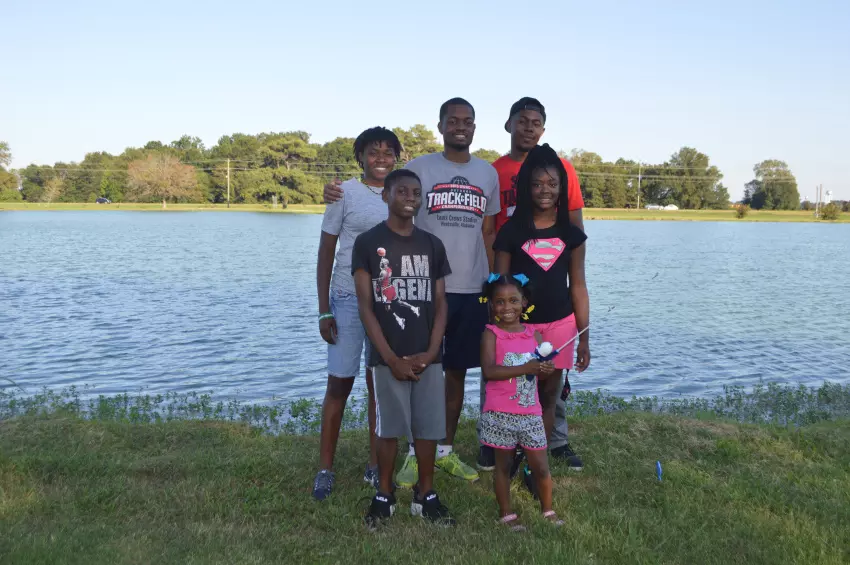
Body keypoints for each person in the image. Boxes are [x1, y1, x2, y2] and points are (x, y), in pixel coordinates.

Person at [325, 98, 500, 487]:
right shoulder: (419, 167)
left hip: (470, 286)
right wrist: (337, 190)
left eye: (467, 121)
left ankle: (444, 451)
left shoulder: (487, 173)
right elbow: (384, 189)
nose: (460, 126)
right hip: (419, 288)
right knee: (408, 368)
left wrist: (493, 282)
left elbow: (488, 232)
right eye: (452, 120)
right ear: (440, 126)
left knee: (454, 372)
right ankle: (408, 453)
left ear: (475, 127)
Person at [483, 97, 586, 472]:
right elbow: (493, 245)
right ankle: (496, 442)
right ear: (509, 124)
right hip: (515, 309)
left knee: (549, 388)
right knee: (507, 379)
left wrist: (584, 334)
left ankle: (544, 448)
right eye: (522, 120)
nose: (528, 127)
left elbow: (578, 276)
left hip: (557, 314)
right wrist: (496, 314)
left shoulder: (564, 179)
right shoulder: (495, 176)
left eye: (536, 122)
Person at [352, 169, 455, 529]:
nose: (410, 198)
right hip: (387, 356)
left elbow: (441, 303)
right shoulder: (367, 242)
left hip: (428, 356)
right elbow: (366, 306)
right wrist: (391, 358)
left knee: (427, 428)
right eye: (402, 192)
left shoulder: (432, 245)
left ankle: (425, 495)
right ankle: (384, 494)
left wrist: (431, 351)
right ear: (386, 195)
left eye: (416, 192)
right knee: (388, 429)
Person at [312, 127, 403, 500]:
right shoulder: (343, 193)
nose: (381, 158)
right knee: (339, 384)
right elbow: (326, 252)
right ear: (360, 157)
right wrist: (324, 311)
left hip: (386, 304)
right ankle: (325, 469)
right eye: (373, 152)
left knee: (378, 386)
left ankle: (375, 466)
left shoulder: (402, 192)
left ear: (396, 158)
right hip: (347, 299)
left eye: (388, 152)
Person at [479, 274, 564, 530]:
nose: (507, 307)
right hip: (500, 413)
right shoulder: (491, 335)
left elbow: (539, 370)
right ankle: (506, 513)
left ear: (524, 302)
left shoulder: (533, 334)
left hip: (530, 413)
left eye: (514, 300)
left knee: (541, 466)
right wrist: (526, 367)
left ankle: (548, 511)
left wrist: (545, 369)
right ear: (492, 305)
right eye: (500, 302)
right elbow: (489, 371)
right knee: (503, 466)